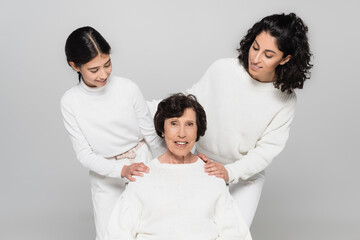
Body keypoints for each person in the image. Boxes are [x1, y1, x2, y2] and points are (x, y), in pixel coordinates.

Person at [185, 12, 313, 226]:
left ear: (285, 58)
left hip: (246, 175)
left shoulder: (285, 100)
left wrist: (230, 172)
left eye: (268, 54)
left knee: (235, 233)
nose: (255, 58)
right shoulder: (223, 69)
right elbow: (188, 105)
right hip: (202, 163)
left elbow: (266, 150)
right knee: (191, 228)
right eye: (255, 47)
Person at [60, 26, 165, 240]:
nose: (104, 74)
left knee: (149, 229)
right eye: (94, 69)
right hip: (104, 172)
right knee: (110, 235)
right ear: (74, 66)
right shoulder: (70, 102)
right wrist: (121, 170)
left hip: (141, 164)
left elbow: (151, 136)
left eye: (107, 64)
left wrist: (181, 157)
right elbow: (84, 154)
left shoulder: (128, 88)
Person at [106, 93, 251, 240]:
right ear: (163, 130)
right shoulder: (142, 177)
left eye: (189, 124)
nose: (182, 134)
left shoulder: (212, 175)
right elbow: (118, 234)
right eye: (174, 123)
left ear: (197, 130)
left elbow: (235, 233)